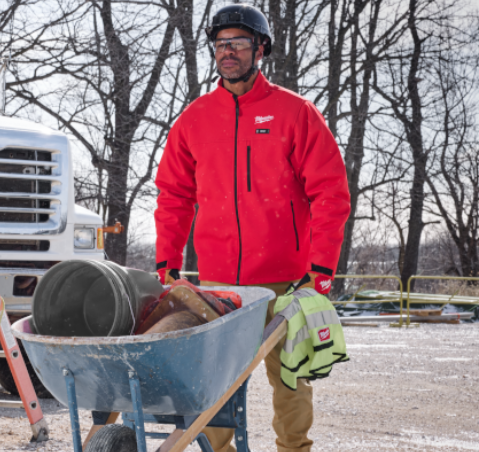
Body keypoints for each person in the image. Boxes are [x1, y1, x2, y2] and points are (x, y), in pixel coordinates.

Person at [153, 4, 351, 452]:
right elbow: (173, 197)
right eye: (222, 44)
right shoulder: (194, 119)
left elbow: (331, 194)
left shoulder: (295, 113)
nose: (229, 52)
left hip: (287, 283)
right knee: (217, 388)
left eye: (239, 43)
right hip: (220, 287)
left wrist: (320, 270)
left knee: (291, 383)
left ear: (260, 50)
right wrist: (167, 262)